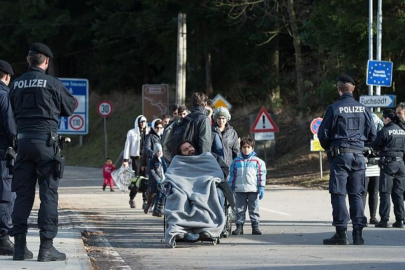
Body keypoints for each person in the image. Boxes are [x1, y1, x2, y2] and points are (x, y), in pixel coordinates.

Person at [9, 43, 76, 261]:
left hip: (22, 145)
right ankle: (46, 248)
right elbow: (70, 107)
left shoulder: (16, 84)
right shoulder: (52, 83)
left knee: (22, 195)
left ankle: (19, 248)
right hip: (46, 144)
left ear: (28, 60)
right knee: (48, 195)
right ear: (46, 61)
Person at [318, 75, 376, 245]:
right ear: (354, 88)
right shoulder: (364, 109)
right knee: (357, 193)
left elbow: (323, 134)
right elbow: (373, 134)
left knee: (338, 193)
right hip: (358, 155)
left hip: (340, 155)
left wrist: (329, 148)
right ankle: (358, 234)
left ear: (339, 89)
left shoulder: (334, 108)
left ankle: (341, 233)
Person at [371, 109, 405, 228]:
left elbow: (375, 145)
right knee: (398, 193)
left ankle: (384, 220)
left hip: (388, 164)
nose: (383, 121)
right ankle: (400, 220)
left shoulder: (385, 131)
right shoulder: (402, 130)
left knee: (385, 192)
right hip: (401, 164)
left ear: (387, 119)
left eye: (383, 119)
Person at [229, 137, 267, 236]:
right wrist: (231, 186)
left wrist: (261, 187)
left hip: (252, 189)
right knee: (239, 209)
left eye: (248, 147)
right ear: (241, 148)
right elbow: (232, 174)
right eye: (244, 147)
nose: (246, 149)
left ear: (252, 148)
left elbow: (261, 175)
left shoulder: (258, 162)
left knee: (253, 208)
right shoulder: (236, 161)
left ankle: (255, 227)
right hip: (240, 189)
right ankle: (239, 227)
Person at [0, 60, 17, 256]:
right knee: (5, 194)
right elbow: (10, 124)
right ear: (7, 76)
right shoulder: (4, 95)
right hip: (2, 152)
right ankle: (3, 237)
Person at [123, 115, 149, 209]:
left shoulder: (148, 132)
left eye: (144, 121)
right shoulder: (131, 132)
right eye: (141, 122)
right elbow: (127, 146)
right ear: (138, 122)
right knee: (137, 179)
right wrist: (126, 160)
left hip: (145, 158)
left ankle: (145, 200)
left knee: (145, 179)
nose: (143, 124)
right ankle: (132, 198)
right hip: (135, 159)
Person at [363, 113, 384, 225]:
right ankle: (361, 216)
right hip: (364, 167)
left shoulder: (380, 135)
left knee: (374, 193)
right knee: (363, 192)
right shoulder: (361, 134)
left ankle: (373, 217)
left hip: (376, 167)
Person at [147, 143, 167, 217]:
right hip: (156, 182)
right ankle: (157, 210)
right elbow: (152, 172)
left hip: (163, 180)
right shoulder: (152, 161)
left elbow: (165, 169)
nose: (159, 153)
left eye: (160, 151)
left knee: (163, 194)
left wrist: (167, 176)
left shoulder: (162, 160)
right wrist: (157, 179)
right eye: (157, 151)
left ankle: (158, 209)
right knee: (160, 194)